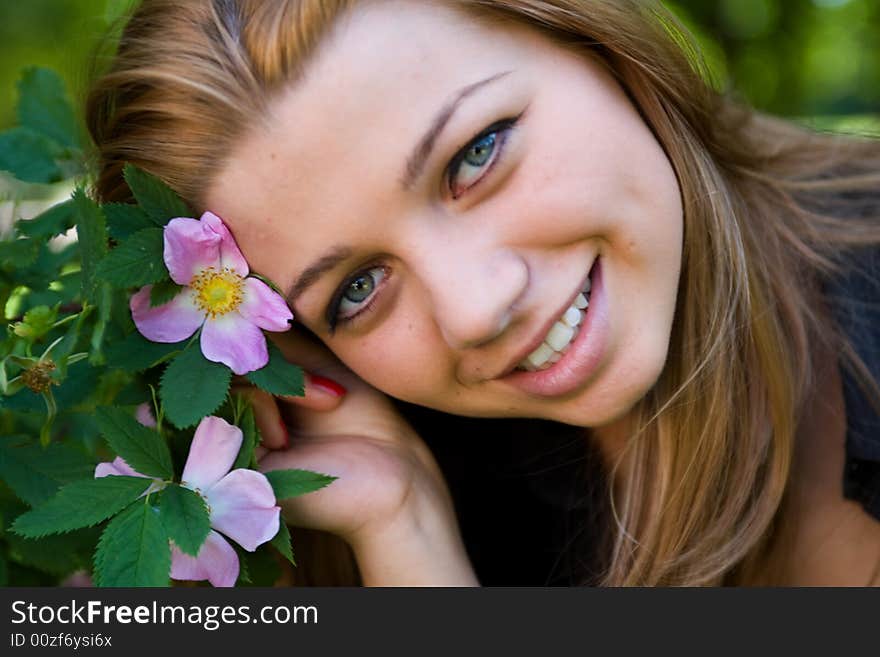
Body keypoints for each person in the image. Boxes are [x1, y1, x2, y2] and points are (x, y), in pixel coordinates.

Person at [85, 0, 880, 586]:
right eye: (358, 289)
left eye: (476, 154)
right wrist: (409, 533)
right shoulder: (440, 478)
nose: (475, 308)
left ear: (593, 41)